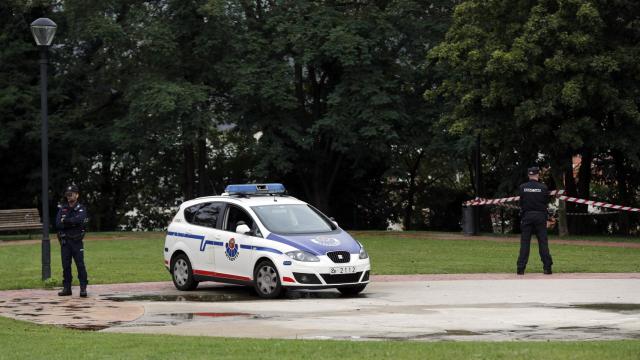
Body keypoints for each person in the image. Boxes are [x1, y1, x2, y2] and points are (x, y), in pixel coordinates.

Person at [517, 166, 553, 275]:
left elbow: (521, 203)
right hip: (540, 217)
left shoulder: (522, 187)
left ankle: (521, 268)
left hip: (527, 217)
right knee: (543, 243)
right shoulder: (544, 188)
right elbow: (546, 203)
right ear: (538, 175)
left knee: (525, 243)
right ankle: (547, 268)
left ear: (529, 175)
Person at [55, 185, 89, 297]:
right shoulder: (63, 208)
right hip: (65, 242)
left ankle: (83, 288)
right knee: (66, 265)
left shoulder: (81, 208)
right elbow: (58, 224)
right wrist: (71, 222)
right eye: (68, 194)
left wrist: (66, 221)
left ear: (77, 195)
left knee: (80, 265)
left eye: (72, 194)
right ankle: (67, 288)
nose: (69, 196)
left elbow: (80, 220)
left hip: (77, 241)